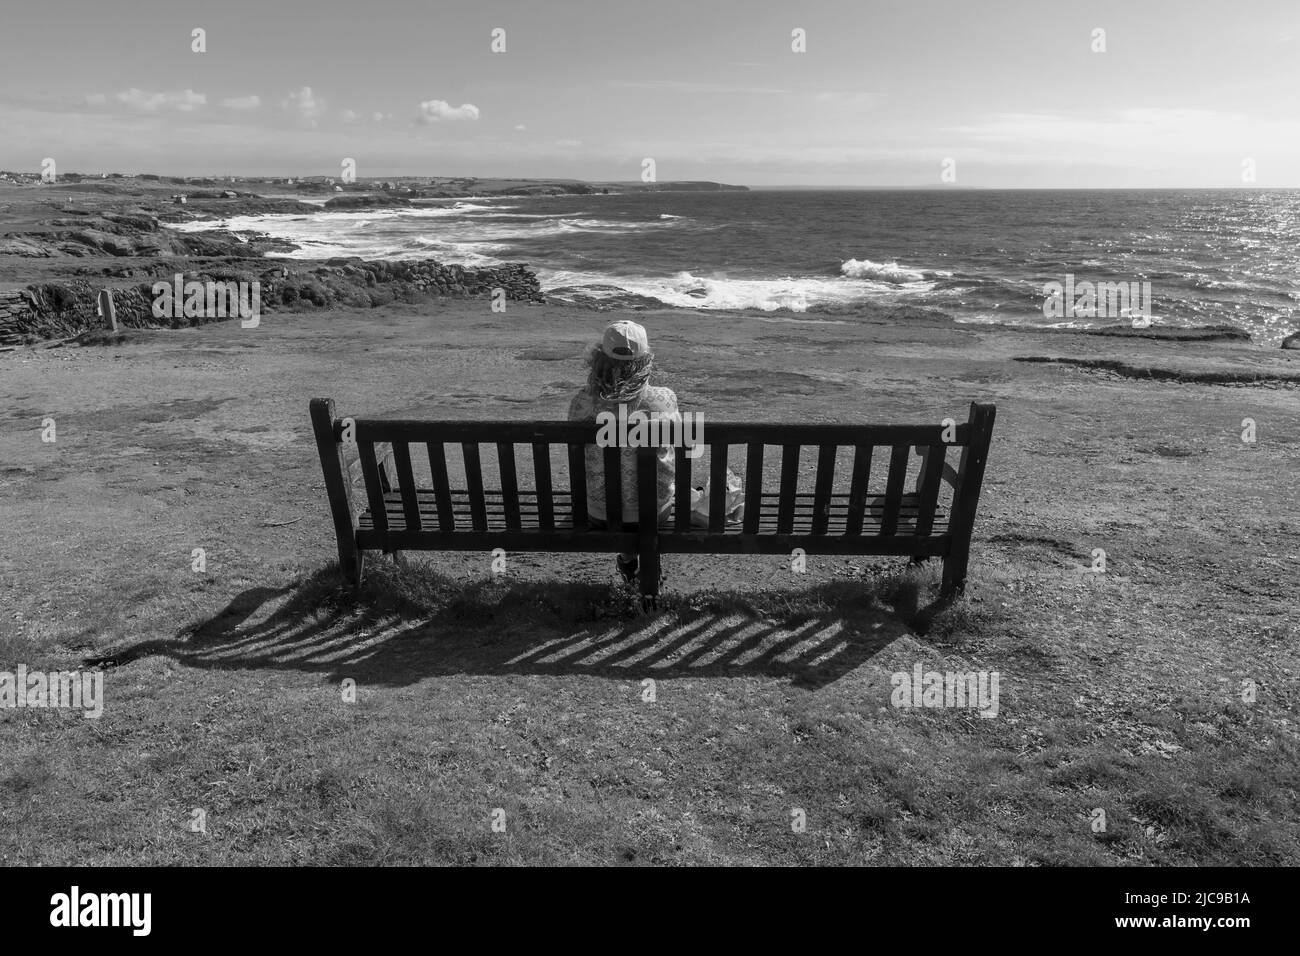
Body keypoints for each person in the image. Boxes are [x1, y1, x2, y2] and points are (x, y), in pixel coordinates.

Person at [567, 320, 679, 583]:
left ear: (599, 357)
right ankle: (645, 567)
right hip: (654, 512)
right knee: (651, 487)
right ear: (646, 359)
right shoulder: (664, 399)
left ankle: (629, 559)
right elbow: (674, 451)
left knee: (615, 485)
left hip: (598, 513)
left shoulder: (581, 402)